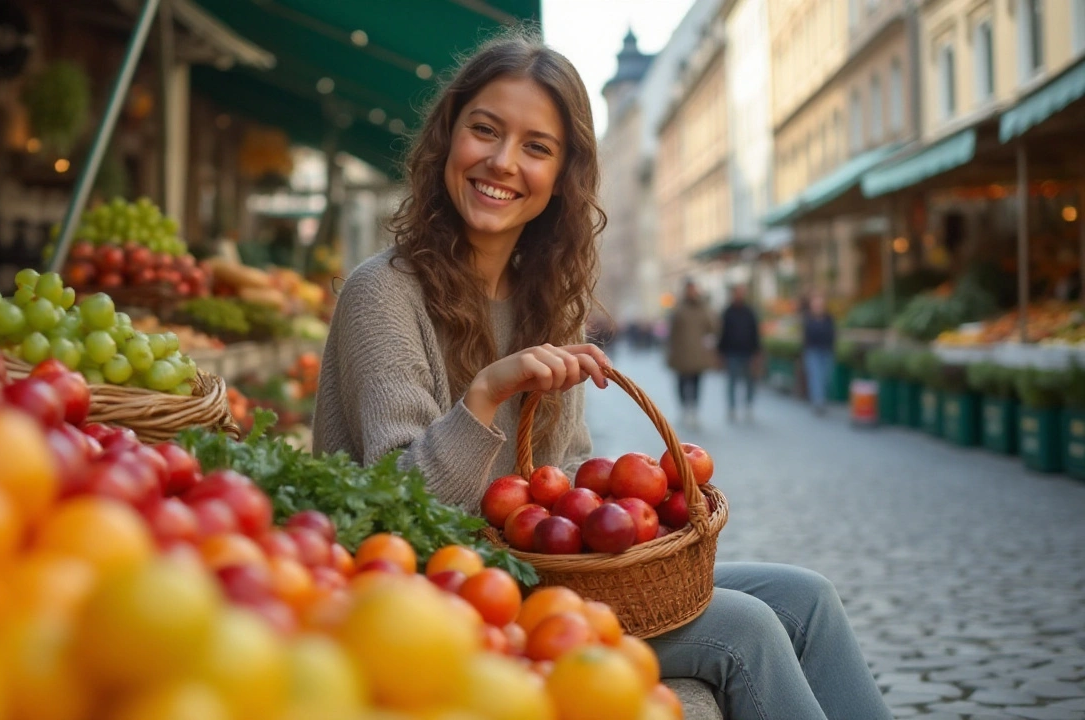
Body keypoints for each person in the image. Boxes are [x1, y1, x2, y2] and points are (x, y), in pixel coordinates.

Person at [313, 29, 892, 720]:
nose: (502, 162)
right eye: (485, 131)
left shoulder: (545, 299)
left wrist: (632, 518)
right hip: (436, 600)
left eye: (536, 147)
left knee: (808, 597)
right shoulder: (382, 293)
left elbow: (564, 478)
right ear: (448, 137)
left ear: (562, 176)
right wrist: (486, 395)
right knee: (749, 631)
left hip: (538, 578)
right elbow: (396, 514)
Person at [666, 279, 717, 427]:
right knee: (682, 382)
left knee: (697, 382)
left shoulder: (703, 308)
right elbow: (672, 333)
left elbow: (712, 327)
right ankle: (684, 408)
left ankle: (694, 409)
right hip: (681, 354)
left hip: (697, 354)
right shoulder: (679, 308)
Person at [718, 284, 761, 422]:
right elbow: (722, 333)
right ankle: (732, 407)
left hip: (747, 352)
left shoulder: (749, 312)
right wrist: (721, 352)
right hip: (732, 352)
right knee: (732, 381)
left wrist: (757, 351)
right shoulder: (728, 312)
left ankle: (748, 405)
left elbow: (755, 332)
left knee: (749, 381)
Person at [802, 293, 838, 415]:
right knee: (816, 378)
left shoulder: (828, 319)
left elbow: (833, 334)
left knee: (826, 378)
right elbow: (806, 337)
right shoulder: (808, 319)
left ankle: (821, 400)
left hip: (826, 351)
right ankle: (818, 403)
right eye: (816, 305)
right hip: (813, 352)